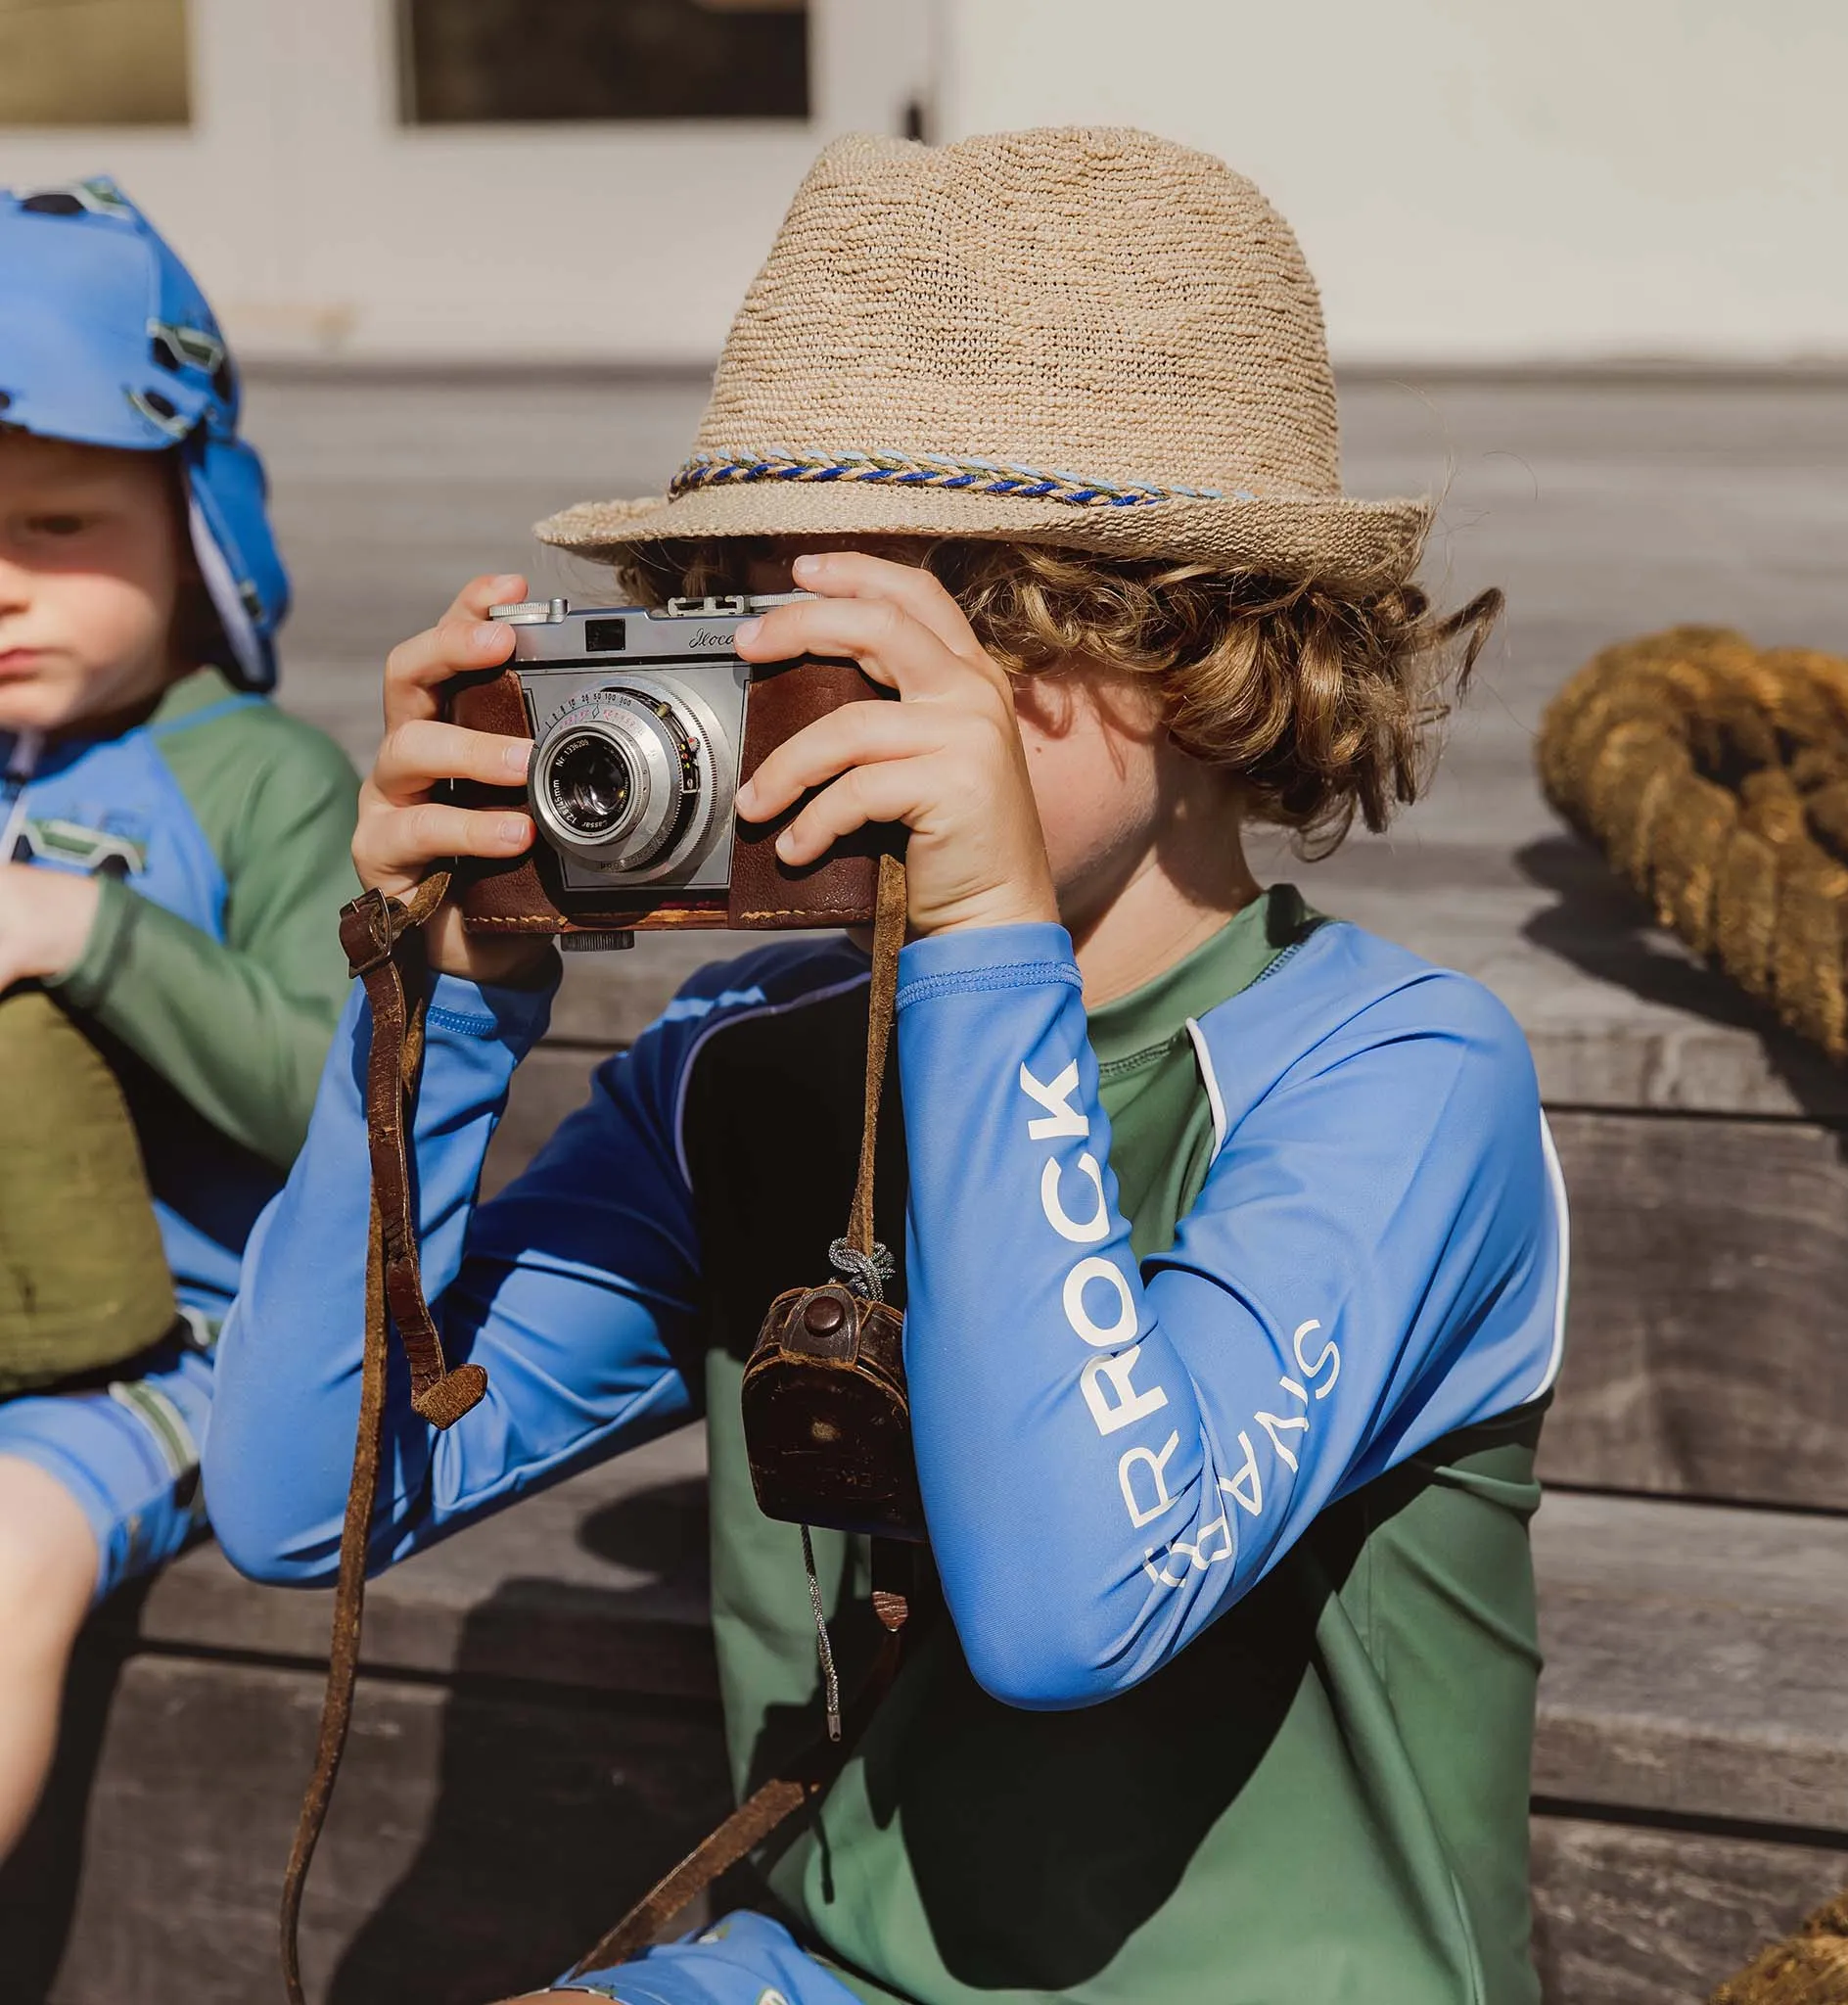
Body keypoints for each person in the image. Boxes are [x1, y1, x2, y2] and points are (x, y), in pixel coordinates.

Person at [207, 129, 1568, 2005]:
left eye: (930, 630)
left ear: (1198, 646)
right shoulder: (743, 1068)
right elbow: (301, 1505)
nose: (840, 703)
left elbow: (1078, 1609)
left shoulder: (1404, 1082)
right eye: (775, 624)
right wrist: (445, 1005)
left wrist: (986, 950)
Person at [0, 177, 359, 1857]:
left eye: (58, 528)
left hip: (175, 1366)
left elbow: (335, 1104)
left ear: (200, 527)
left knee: (4, 1558)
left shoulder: (260, 784)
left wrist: (95, 932)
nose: (4, 586)